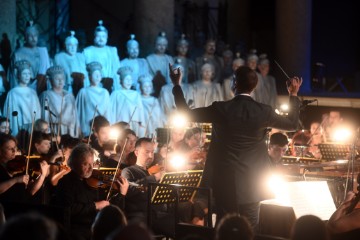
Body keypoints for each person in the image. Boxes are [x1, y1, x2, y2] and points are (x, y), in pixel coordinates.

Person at [170, 63, 302, 227]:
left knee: (225, 228)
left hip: (226, 182)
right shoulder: (264, 111)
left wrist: (176, 85)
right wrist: (293, 94)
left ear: (234, 84)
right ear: (254, 87)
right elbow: (292, 124)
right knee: (250, 230)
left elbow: (185, 112)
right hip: (254, 183)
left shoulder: (221, 108)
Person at [51, 143, 129, 240]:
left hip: (95, 228)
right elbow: (68, 210)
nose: (90, 168)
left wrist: (121, 194)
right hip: (76, 231)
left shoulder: (96, 182)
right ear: (74, 163)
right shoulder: (65, 183)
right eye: (85, 164)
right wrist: (95, 205)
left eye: (92, 164)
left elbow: (110, 207)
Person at [0, 133, 49, 204]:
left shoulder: (19, 167)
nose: (14, 151)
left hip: (21, 209)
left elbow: (31, 191)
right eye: (10, 148)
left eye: (15, 148)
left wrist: (42, 175)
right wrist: (16, 180)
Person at [9, 21, 51, 93]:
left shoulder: (43, 52)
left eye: (35, 36)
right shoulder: (18, 53)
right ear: (25, 37)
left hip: (42, 88)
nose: (33, 38)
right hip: (24, 89)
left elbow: (48, 72)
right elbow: (14, 76)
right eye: (30, 36)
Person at [3, 60, 41, 137]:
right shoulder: (13, 93)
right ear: (19, 75)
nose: (27, 76)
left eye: (29, 74)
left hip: (31, 125)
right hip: (19, 127)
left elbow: (37, 110)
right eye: (24, 74)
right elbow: (9, 113)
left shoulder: (33, 92)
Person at [40, 66, 79, 137]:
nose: (60, 81)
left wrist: (76, 130)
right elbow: (44, 116)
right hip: (54, 129)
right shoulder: (46, 95)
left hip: (69, 130)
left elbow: (75, 115)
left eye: (62, 79)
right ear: (51, 80)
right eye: (57, 79)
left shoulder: (70, 96)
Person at [83, 20, 121, 92]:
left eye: (103, 36)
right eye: (98, 36)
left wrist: (116, 87)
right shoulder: (87, 51)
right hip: (93, 86)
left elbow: (117, 69)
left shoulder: (112, 50)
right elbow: (85, 72)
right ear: (94, 37)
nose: (101, 39)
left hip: (110, 85)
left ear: (107, 37)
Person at [76, 62, 111, 137]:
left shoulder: (105, 92)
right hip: (87, 127)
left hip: (101, 127)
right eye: (95, 75)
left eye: (99, 75)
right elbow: (78, 111)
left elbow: (107, 111)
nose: (97, 77)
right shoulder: (83, 91)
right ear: (89, 76)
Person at [109, 66, 145, 137]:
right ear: (121, 80)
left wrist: (141, 124)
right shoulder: (116, 94)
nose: (129, 82)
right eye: (126, 79)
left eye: (130, 79)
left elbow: (140, 112)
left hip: (134, 124)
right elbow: (111, 111)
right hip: (121, 124)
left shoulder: (136, 94)